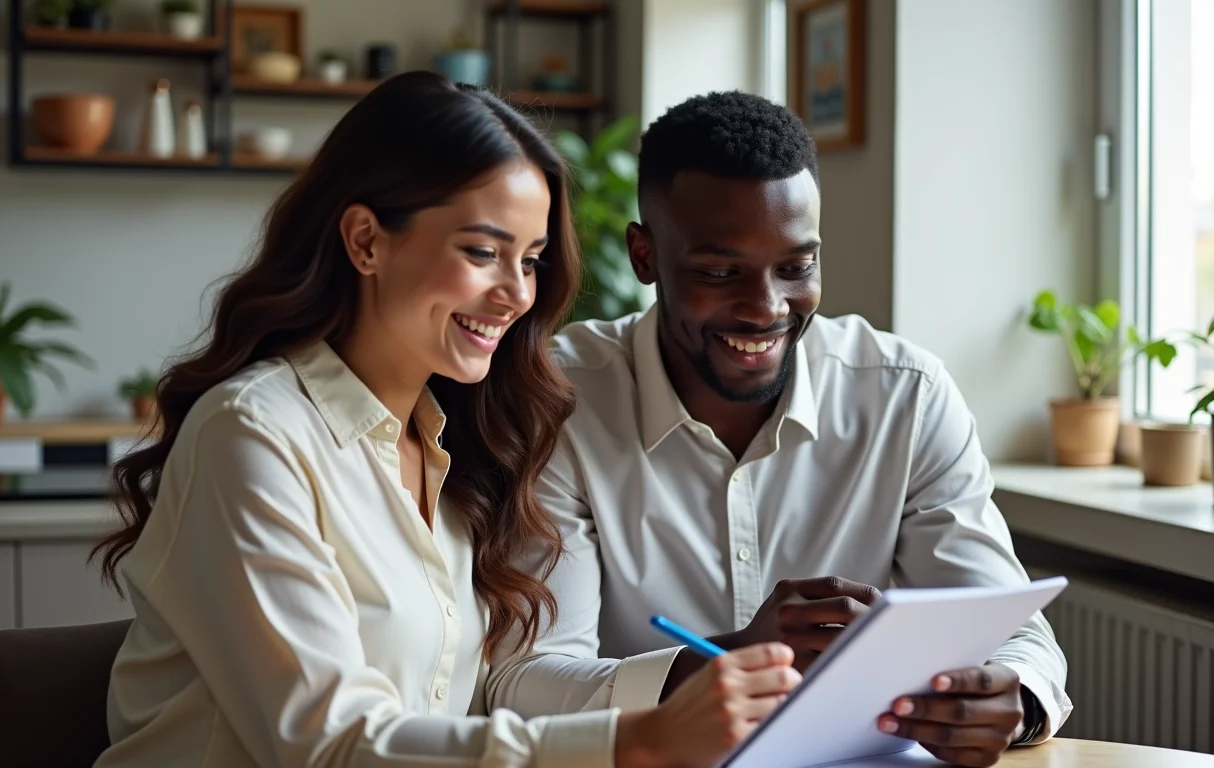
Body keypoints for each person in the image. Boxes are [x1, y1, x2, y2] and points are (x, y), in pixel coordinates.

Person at [87, 73, 802, 768]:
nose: (516, 293)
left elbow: (486, 690)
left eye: (531, 259)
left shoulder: (455, 448)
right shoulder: (253, 436)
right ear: (366, 240)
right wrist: (639, 744)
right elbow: (327, 744)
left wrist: (695, 687)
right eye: (483, 252)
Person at [486, 91, 1073, 768]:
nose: (765, 308)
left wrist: (1009, 699)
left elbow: (1015, 630)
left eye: (796, 268)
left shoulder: (905, 395)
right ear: (644, 257)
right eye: (719, 272)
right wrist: (738, 657)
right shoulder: (560, 399)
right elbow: (524, 684)